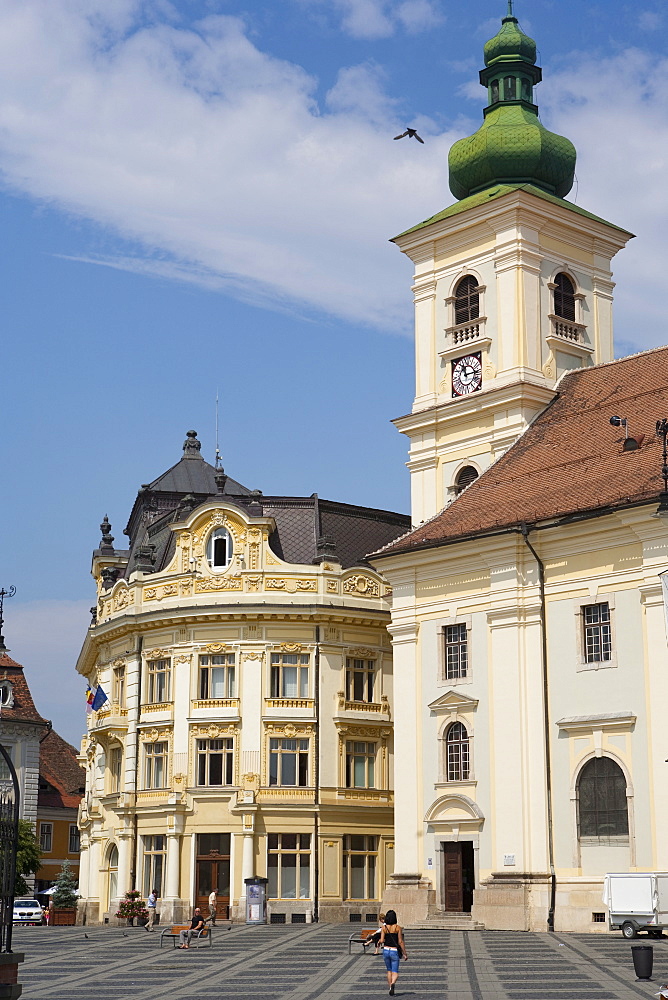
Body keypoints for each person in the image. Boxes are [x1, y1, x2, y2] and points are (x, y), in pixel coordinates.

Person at [379, 909, 407, 996]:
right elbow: (400, 941)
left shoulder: (384, 927)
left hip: (386, 950)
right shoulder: (397, 927)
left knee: (389, 970)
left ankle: (390, 987)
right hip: (394, 950)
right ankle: (393, 983)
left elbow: (382, 940)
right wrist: (404, 953)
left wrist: (379, 941)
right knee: (395, 971)